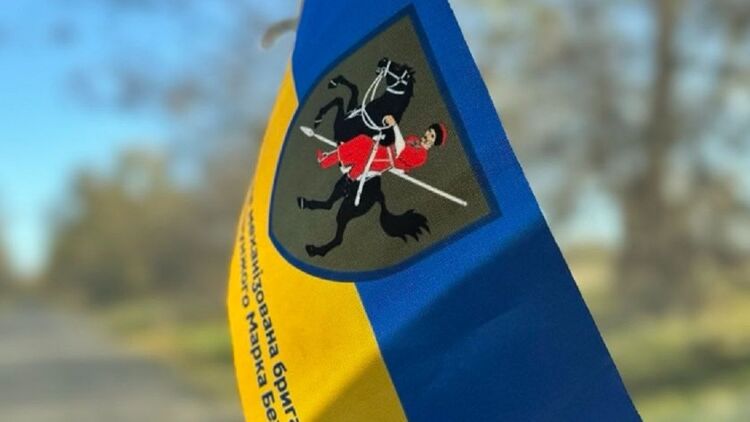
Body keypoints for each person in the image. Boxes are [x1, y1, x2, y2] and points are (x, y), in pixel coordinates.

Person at [315, 115, 447, 181]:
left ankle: (348, 169)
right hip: (384, 151)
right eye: (429, 131)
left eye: (432, 135)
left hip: (386, 161)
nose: (427, 134)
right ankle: (339, 163)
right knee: (363, 140)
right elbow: (395, 144)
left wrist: (394, 125)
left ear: (434, 142)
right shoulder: (414, 139)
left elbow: (400, 149)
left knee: (362, 149)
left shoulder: (422, 156)